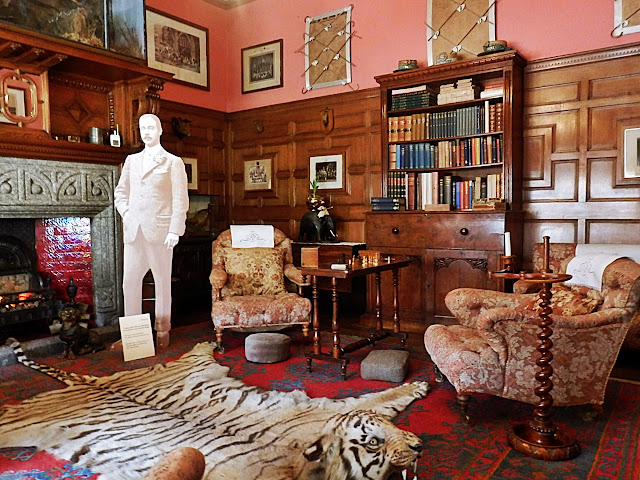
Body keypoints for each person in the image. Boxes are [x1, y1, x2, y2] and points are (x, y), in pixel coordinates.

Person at [114, 113, 189, 348]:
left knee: (161, 282)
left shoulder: (172, 162)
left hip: (160, 233)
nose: (146, 132)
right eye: (142, 128)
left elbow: (180, 200)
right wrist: (127, 214)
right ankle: (134, 339)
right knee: (130, 284)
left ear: (160, 131)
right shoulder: (131, 161)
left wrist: (174, 230)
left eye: (151, 127)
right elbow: (120, 193)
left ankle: (162, 332)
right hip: (134, 232)